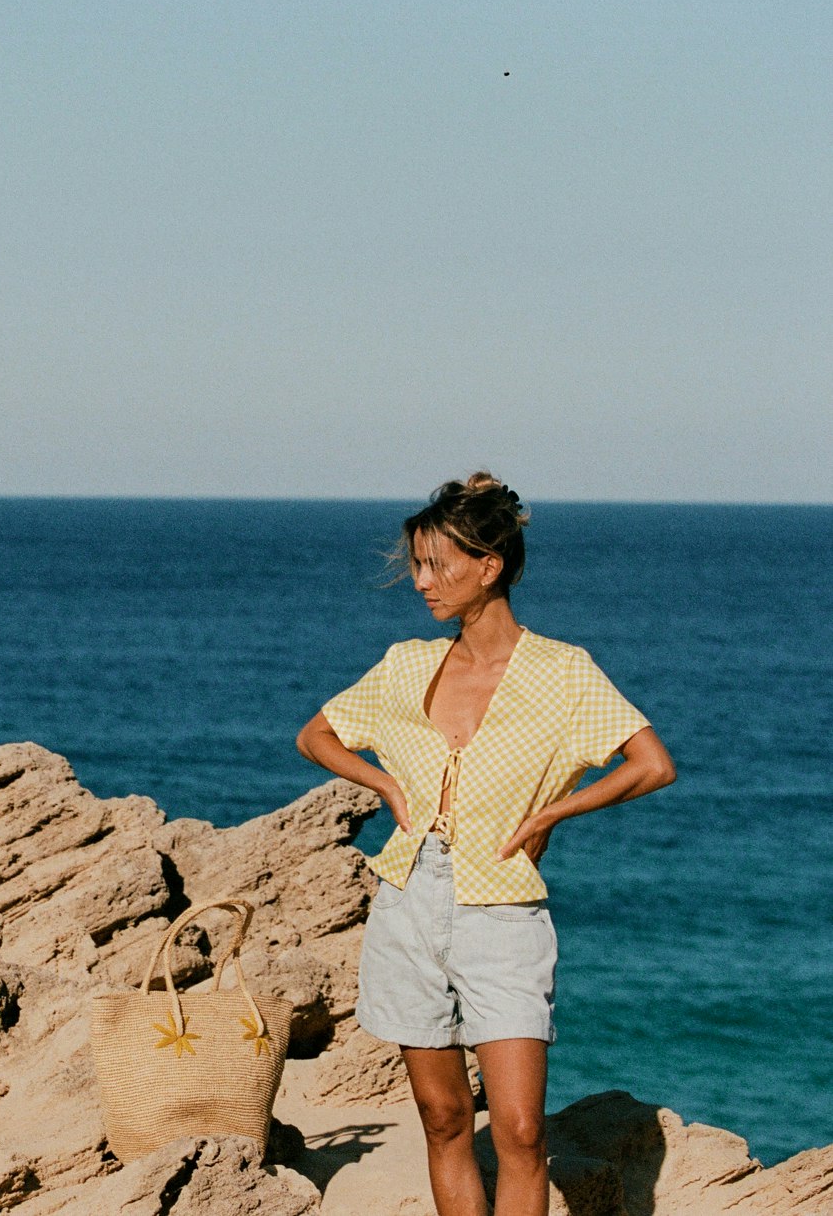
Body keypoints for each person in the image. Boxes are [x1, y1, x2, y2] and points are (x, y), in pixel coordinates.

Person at [295, 473, 677, 1216]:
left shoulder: (563, 671)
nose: (420, 583)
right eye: (416, 565)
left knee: (523, 1130)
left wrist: (551, 814)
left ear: (489, 567)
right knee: (442, 1120)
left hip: (502, 910)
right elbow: (316, 735)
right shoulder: (407, 663)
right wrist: (386, 786)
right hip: (406, 902)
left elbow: (652, 764)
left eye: (436, 566)